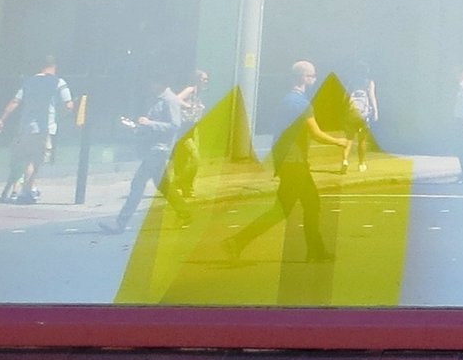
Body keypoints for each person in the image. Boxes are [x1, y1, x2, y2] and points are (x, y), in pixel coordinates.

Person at [226, 61, 341, 263]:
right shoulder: (299, 103)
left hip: (290, 162)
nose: (314, 79)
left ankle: (316, 250)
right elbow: (316, 134)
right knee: (286, 209)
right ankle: (237, 241)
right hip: (294, 163)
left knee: (309, 204)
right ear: (303, 78)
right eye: (312, 75)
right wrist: (340, 142)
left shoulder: (288, 100)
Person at [111, 73, 199, 231]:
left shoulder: (170, 100)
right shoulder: (157, 99)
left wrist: (150, 123)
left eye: (151, 81)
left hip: (160, 148)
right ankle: (186, 214)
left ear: (161, 83)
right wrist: (139, 128)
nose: (148, 84)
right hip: (154, 146)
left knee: (138, 182)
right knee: (163, 185)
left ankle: (120, 223)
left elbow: (174, 126)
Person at [0, 56, 73, 204]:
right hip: (44, 127)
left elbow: (15, 101)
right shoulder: (59, 82)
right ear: (54, 67)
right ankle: (26, 192)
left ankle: (27, 189)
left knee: (27, 159)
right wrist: (61, 117)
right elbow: (68, 105)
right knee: (36, 161)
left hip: (26, 127)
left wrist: (1, 120)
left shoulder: (28, 82)